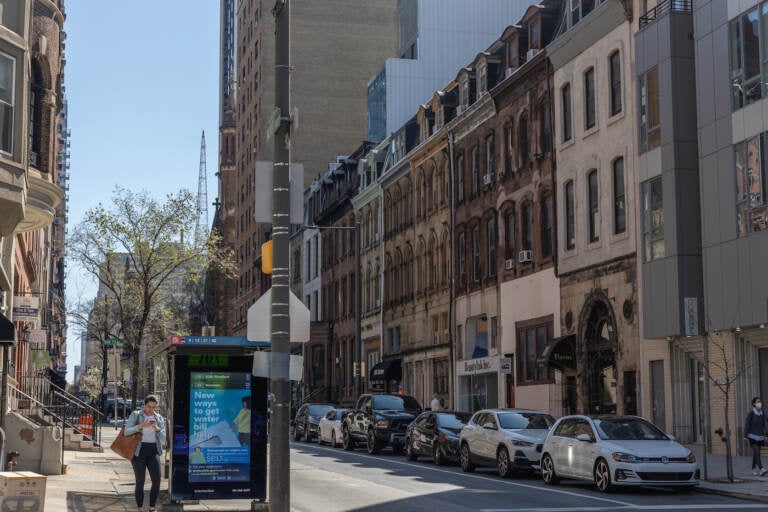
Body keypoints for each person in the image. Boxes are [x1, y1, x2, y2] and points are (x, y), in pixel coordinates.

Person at [125, 394, 166, 512]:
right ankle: (140, 508)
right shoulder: (136, 415)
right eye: (149, 407)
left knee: (157, 481)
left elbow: (164, 439)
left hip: (154, 452)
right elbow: (127, 432)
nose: (151, 410)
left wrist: (157, 429)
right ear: (144, 405)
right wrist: (141, 426)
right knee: (140, 481)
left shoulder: (159, 418)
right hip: (139, 452)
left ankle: (152, 508)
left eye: (153, 407)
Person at [744, 396, 768, 476]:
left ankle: (753, 469)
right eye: (757, 402)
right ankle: (761, 469)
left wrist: (766, 435)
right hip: (752, 436)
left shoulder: (762, 413)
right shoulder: (751, 413)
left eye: (760, 401)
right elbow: (747, 424)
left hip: (760, 436)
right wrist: (745, 435)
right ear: (754, 403)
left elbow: (765, 424)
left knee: (756, 454)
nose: (759, 403)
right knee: (757, 452)